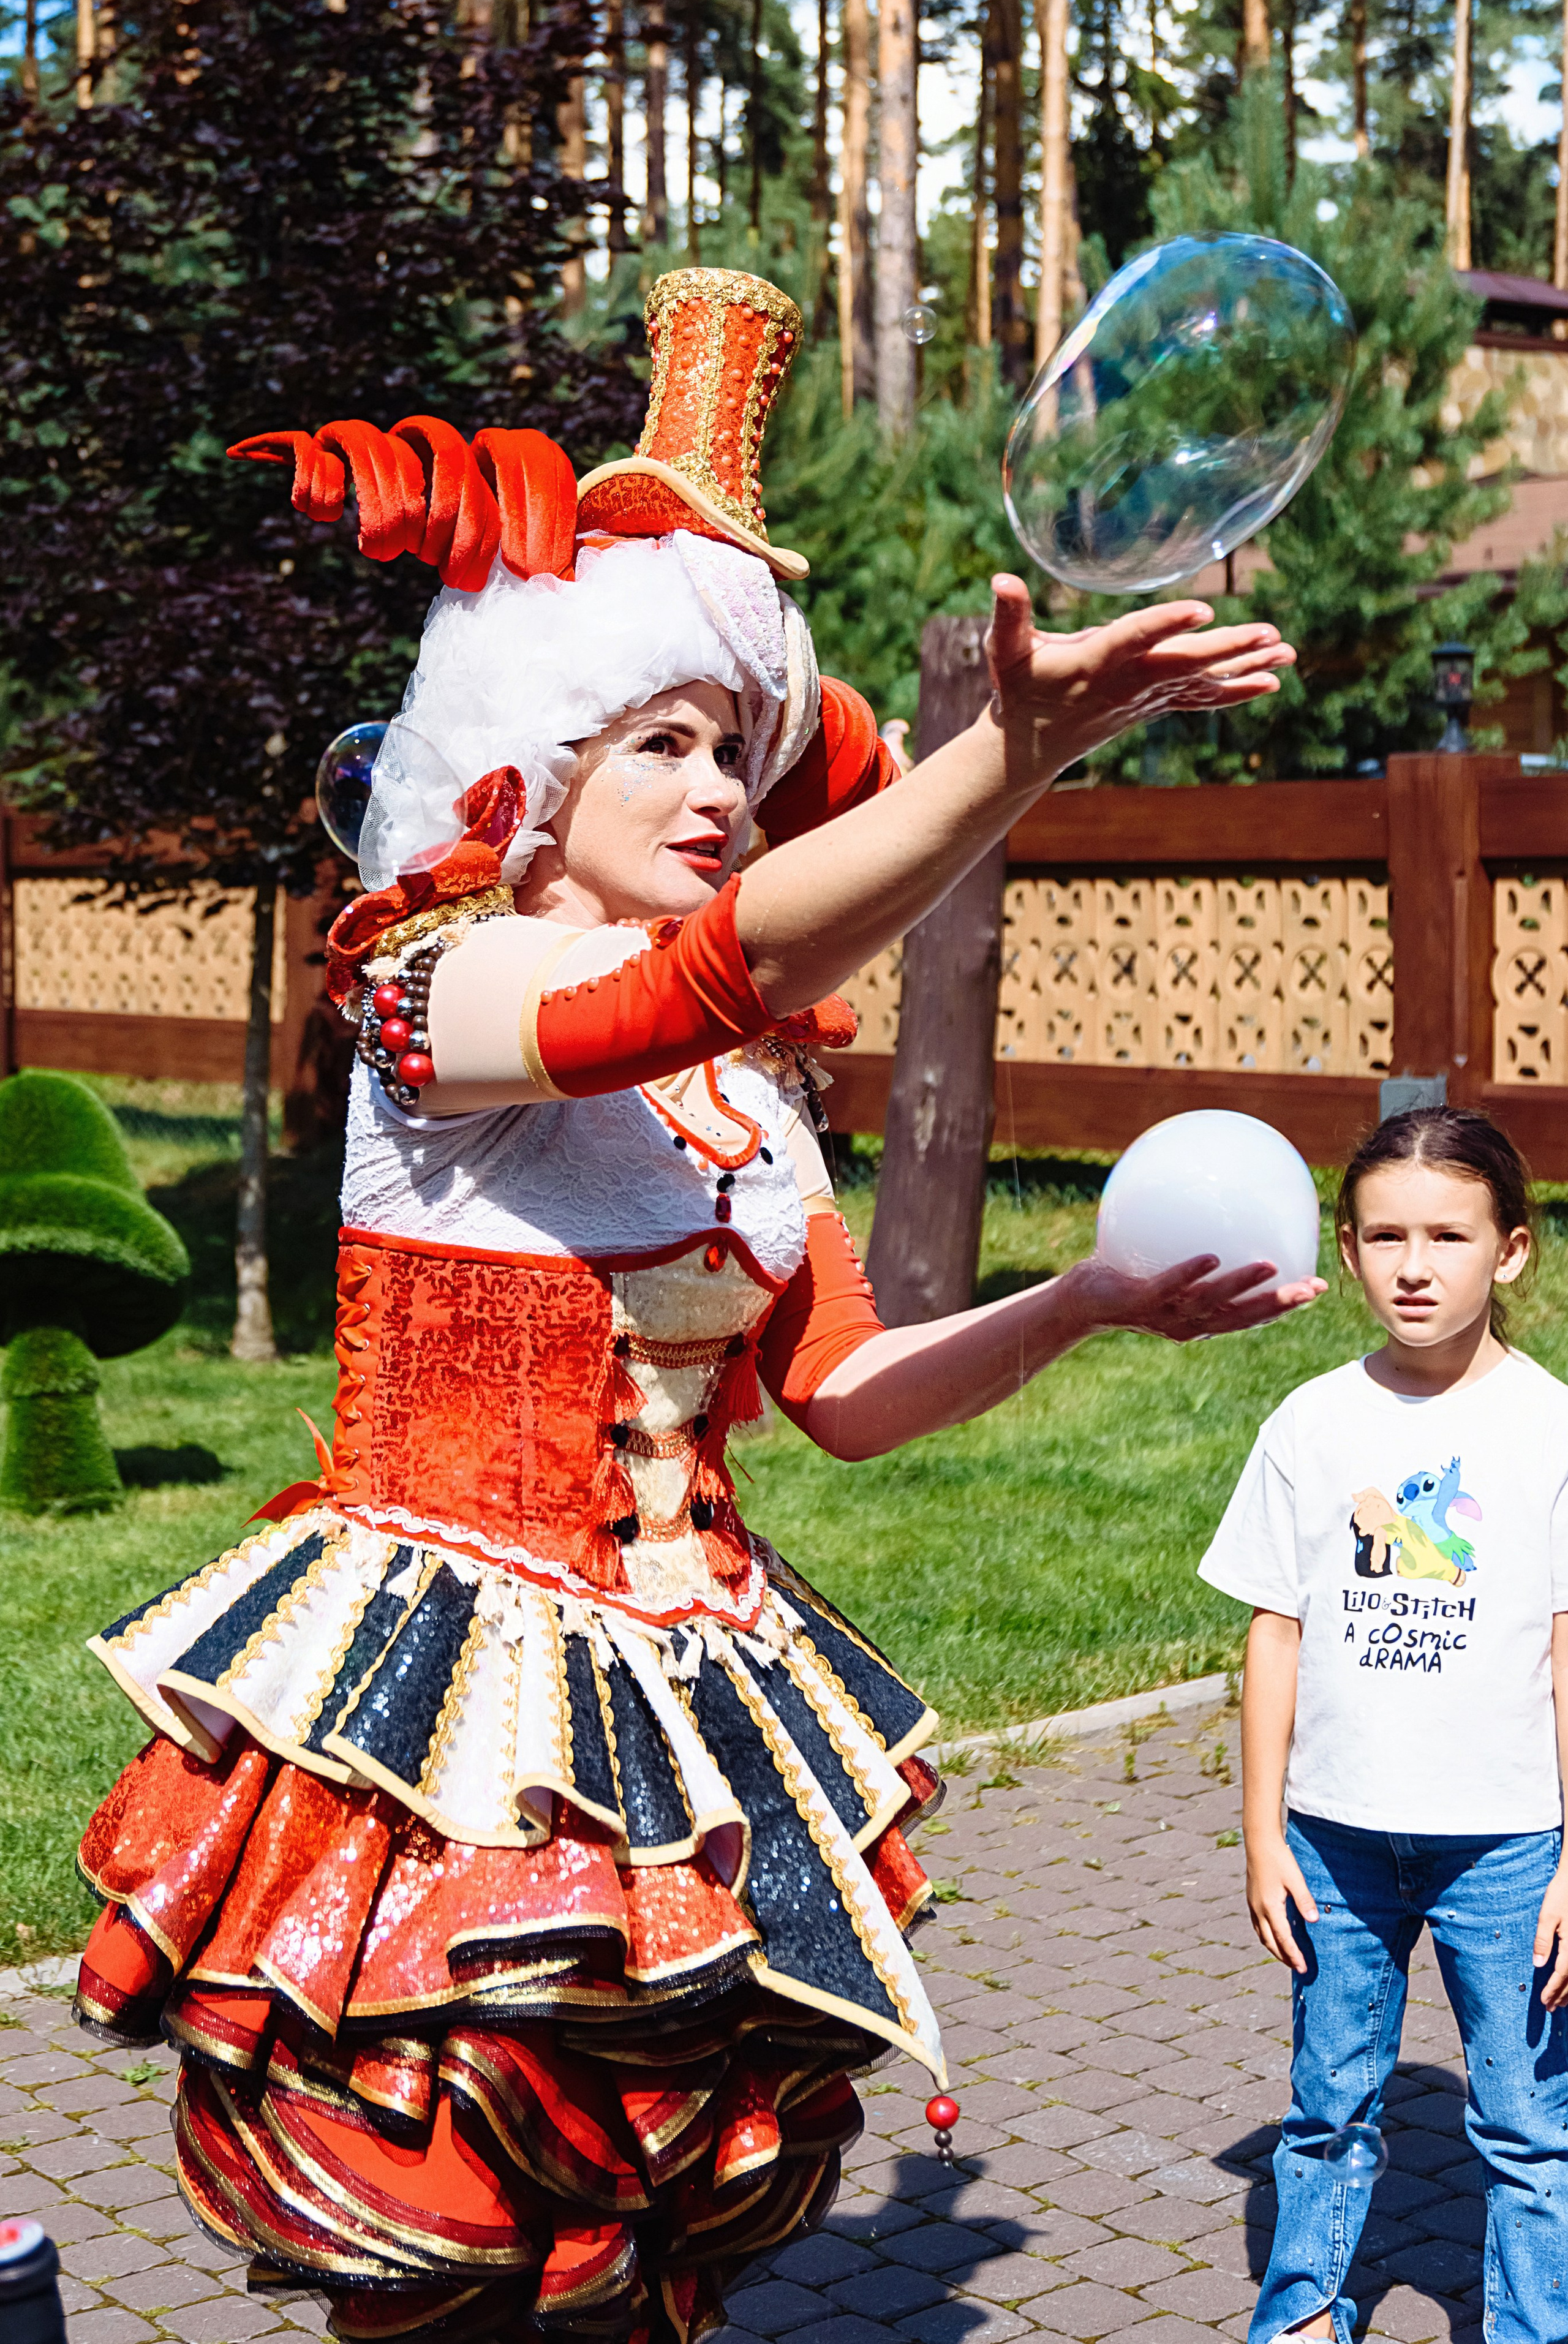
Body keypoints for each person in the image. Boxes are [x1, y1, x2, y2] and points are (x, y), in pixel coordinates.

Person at [71, 266, 1313, 2344]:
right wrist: (999, 761)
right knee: (456, 2222)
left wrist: (1082, 1295)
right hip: (435, 1713)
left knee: (663, 2235)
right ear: (531, 769)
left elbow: (838, 1386)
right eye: (663, 737)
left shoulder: (747, 1104)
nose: (722, 780)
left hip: (685, 1693)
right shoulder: (431, 990)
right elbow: (695, 973)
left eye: (740, 739)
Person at [1201, 1104, 1568, 2344]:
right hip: (1334, 1842)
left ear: (1507, 1251)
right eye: (1384, 1235)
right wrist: (1260, 1832)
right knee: (1326, 2103)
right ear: (1347, 1253)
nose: (1415, 1265)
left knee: (1525, 2126)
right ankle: (1301, 2314)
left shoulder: (1549, 1428)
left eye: (1447, 1235)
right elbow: (1272, 1633)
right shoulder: (1309, 1423)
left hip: (1509, 1843)